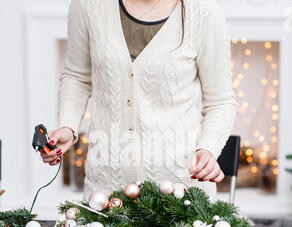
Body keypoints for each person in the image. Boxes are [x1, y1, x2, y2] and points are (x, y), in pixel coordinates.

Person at [41, 0, 238, 200]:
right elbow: (77, 76)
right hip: (106, 192)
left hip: (182, 193)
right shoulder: (88, 5)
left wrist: (207, 148)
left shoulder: (203, 12)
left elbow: (220, 102)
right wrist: (68, 126)